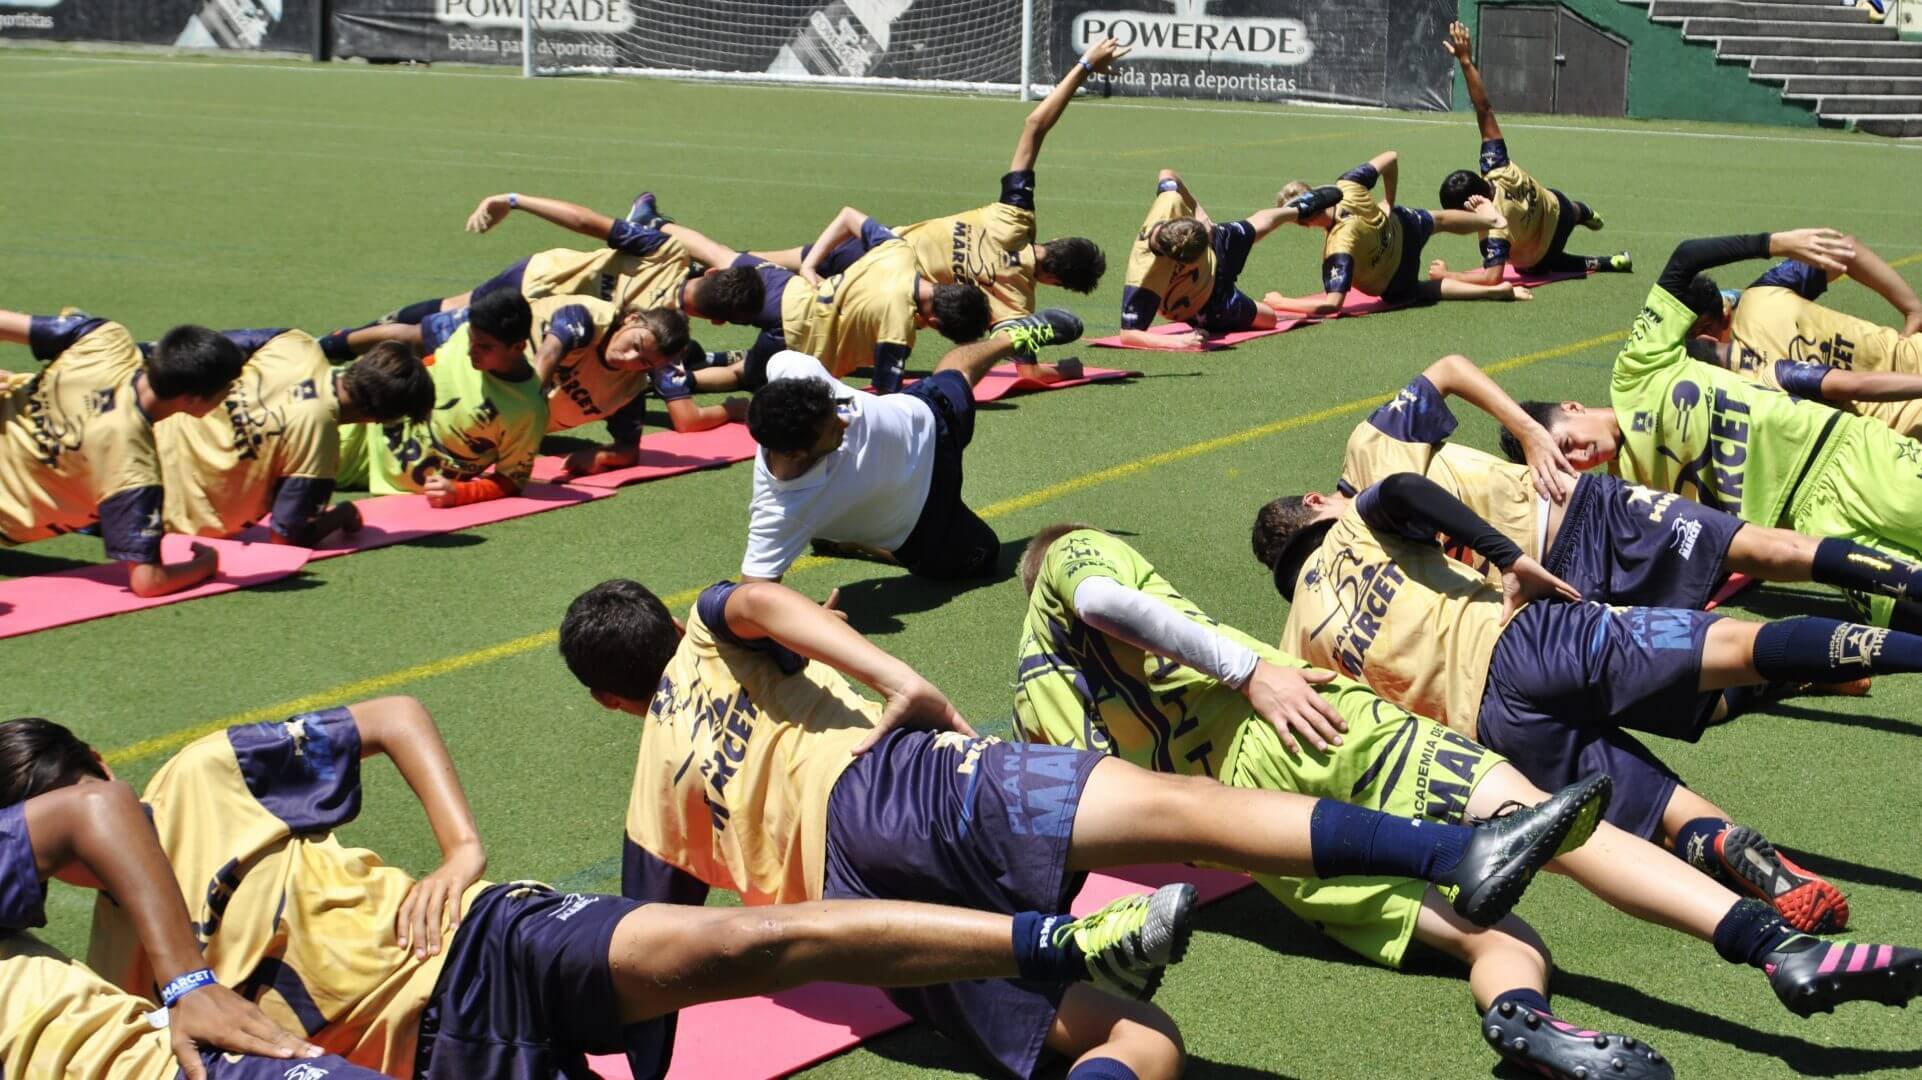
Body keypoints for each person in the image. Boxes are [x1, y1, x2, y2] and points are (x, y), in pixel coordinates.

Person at [557, 575, 1603, 1080]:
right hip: (908, 780)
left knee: (1140, 1045)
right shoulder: (706, 629)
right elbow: (759, 604)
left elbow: (658, 969)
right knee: (1198, 814)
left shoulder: (648, 802)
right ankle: (1460, 851)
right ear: (661, 624)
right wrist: (899, 677)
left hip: (873, 910)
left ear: (611, 705)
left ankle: (1104, 976)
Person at [1016, 525, 1922, 1078]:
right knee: (1560, 824)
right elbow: (1101, 594)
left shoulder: (1030, 704)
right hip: (1324, 735)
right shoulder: (1070, 557)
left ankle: (1520, 1020)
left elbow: (1089, 820)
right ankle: (1778, 947)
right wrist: (1253, 673)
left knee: (1497, 937)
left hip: (1270, 840)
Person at [0, 704, 1198, 1080]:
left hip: (488, 942)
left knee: (749, 941)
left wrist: (460, 845)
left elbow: (396, 718)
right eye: (61, 871)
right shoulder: (109, 969)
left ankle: (1060, 935)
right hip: (444, 1059)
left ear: (97, 775)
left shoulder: (206, 769)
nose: (83, 868)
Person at [1256, 473, 1922, 935]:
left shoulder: (1296, 643)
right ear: (1317, 505)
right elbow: (1402, 490)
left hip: (1492, 728)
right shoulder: (1350, 528)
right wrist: (1507, 557)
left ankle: (1734, 850)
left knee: (1659, 812)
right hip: (1529, 638)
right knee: (1742, 647)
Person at [1507, 228, 1922, 630]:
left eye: (1568, 442)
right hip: (1810, 524)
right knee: (1905, 609)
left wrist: (1774, 243)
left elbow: (1685, 257)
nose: (1582, 455)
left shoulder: (1635, 371)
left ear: (1572, 407)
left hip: (1841, 453)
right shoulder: (1629, 492)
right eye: (1570, 461)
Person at [1333, 353, 1922, 620]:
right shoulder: (1355, 569)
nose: (1577, 453)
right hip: (1567, 583)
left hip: (1599, 514)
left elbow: (1451, 368)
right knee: (1697, 646)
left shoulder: (1372, 451)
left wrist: (1532, 435)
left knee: (1762, 548)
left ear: (1317, 502)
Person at [1, 757, 381, 1079]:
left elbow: (90, 806)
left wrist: (189, 984)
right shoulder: (111, 949)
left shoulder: (197, 776)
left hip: (164, 1069)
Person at [754, 37, 1127, 332]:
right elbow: (1025, 366)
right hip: (877, 296)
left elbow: (1035, 126)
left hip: (868, 247)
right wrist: (1067, 367)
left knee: (748, 263)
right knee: (769, 308)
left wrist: (1085, 67)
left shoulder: (1014, 218)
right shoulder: (1016, 299)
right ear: (1058, 283)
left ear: (1058, 241)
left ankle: (705, 275)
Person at [738, 320, 1076, 584]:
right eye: (831, 428)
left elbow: (779, 358)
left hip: (925, 419)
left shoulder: (795, 373)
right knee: (985, 557)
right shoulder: (781, 511)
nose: (845, 421)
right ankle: (859, 544)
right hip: (923, 522)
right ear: (797, 453)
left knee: (958, 374)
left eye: (838, 408)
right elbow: (753, 597)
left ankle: (1009, 338)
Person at [336, 296, 743, 478]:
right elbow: (551, 352)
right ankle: (330, 343)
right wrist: (529, 406)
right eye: (636, 347)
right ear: (631, 322)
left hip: (497, 415)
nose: (631, 361)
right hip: (488, 344)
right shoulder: (592, 318)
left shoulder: (628, 387)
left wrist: (599, 456)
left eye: (646, 364)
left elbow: (627, 449)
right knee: (411, 337)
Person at [0, 309, 244, 596]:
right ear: (192, 400)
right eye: (226, 389)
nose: (229, 395)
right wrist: (207, 563)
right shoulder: (134, 471)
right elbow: (149, 582)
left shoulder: (105, 340)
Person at [651, 207, 993, 394]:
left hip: (791, 290)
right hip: (795, 338)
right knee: (744, 375)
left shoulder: (899, 252)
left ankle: (652, 226)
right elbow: (886, 397)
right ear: (936, 323)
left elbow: (847, 216)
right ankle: (678, 380)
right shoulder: (899, 327)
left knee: (721, 255)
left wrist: (811, 263)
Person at [158, 331, 433, 546]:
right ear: (381, 418)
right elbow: (287, 534)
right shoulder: (321, 446)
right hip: (169, 512)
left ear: (361, 363)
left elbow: (212, 349)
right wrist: (343, 514)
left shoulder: (295, 344)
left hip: (146, 437)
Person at [1427, 22, 1631, 285]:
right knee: (1566, 204)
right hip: (1559, 209)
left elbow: (1492, 278)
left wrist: (1446, 275)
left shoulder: (1493, 226)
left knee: (1536, 267)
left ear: (1471, 204)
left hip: (1542, 253)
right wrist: (1465, 60)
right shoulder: (1496, 166)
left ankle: (1607, 262)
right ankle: (1585, 212)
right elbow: (1484, 110)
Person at [1690, 238, 1922, 439]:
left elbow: (1855, 386)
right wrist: (1913, 310)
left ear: (1704, 334)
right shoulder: (1761, 295)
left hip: (1904, 433)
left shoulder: (1750, 390)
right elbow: (1845, 249)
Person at [334, 289, 547, 508]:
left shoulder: (527, 410)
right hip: (365, 411)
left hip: (366, 462)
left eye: (484, 346)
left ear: (518, 347)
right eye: (472, 340)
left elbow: (511, 480)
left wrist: (462, 492)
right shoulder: (464, 333)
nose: (471, 350)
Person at [1267, 152, 1527, 316]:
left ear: (1300, 223)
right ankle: (1487, 219)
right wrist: (1389, 201)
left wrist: (1281, 301)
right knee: (1437, 219)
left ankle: (1491, 291)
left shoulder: (1338, 245)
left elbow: (1332, 304)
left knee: (1423, 289)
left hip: (1394, 280)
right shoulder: (1347, 185)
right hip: (1403, 228)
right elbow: (1390, 157)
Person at [1113, 170, 1310, 349]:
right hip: (1208, 303)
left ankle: (1297, 210)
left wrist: (1200, 213)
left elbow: (1167, 173)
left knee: (1255, 226)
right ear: (1179, 262)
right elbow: (1129, 335)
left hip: (1212, 245)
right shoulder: (1143, 274)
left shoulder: (1169, 203)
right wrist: (1178, 342)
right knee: (1270, 318)